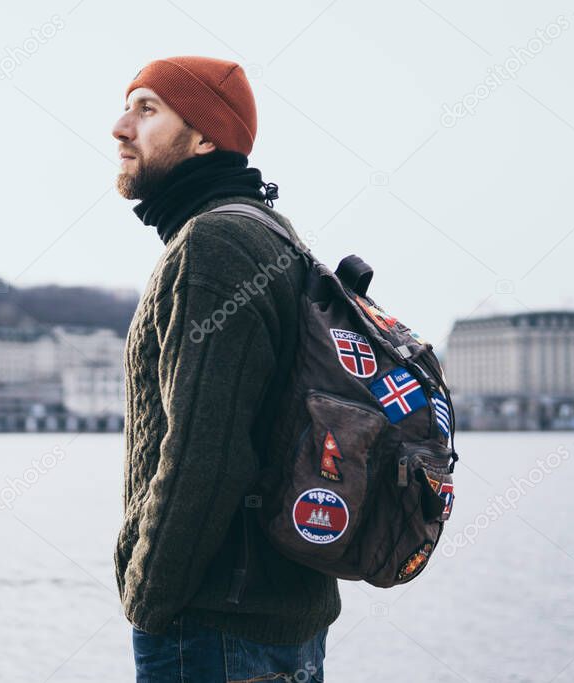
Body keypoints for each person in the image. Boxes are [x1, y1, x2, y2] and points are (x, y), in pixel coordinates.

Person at [112, 55, 339, 682]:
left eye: (147, 109)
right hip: (270, 621)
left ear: (207, 136)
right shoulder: (272, 234)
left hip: (214, 628)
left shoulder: (216, 246)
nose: (120, 126)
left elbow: (204, 455)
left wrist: (148, 601)